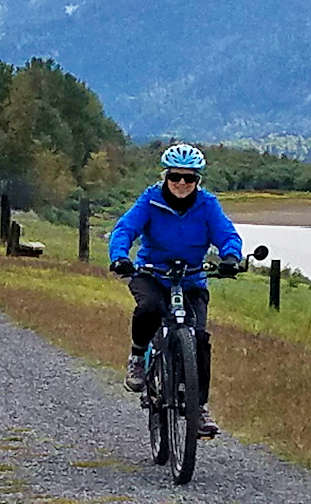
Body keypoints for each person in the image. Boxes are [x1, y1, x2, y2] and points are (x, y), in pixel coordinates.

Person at [108, 143, 243, 437]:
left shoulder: (207, 204)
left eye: (189, 178)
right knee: (150, 309)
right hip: (152, 273)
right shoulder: (150, 200)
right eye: (175, 177)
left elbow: (226, 234)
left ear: (198, 181)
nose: (182, 184)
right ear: (165, 177)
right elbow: (125, 229)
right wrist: (120, 257)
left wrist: (231, 256)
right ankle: (137, 358)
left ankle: (198, 408)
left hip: (191, 278)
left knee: (199, 340)